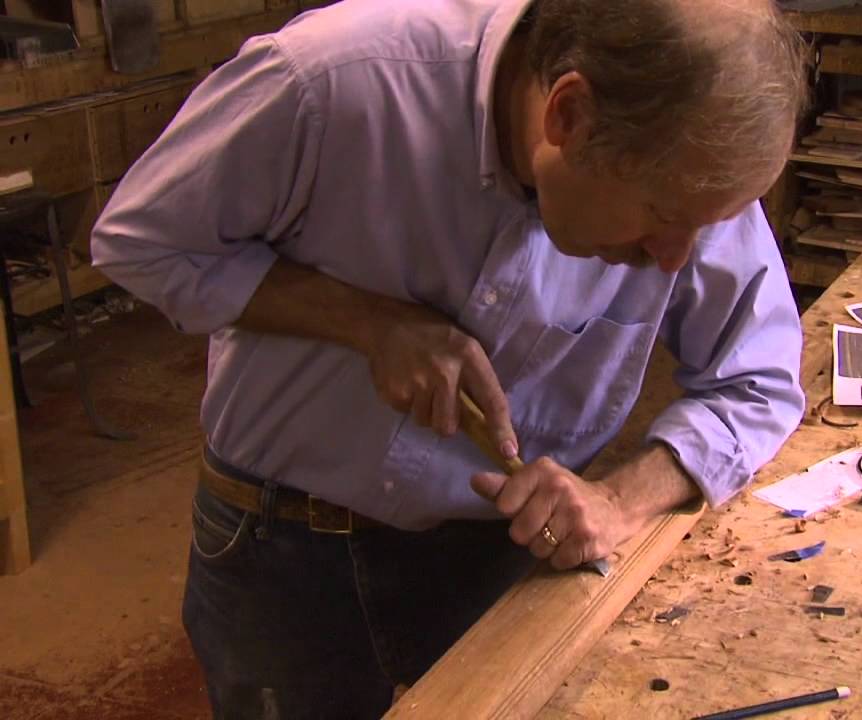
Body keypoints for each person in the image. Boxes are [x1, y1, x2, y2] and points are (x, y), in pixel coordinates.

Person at [91, 0, 809, 717]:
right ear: (568, 116)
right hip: (284, 549)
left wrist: (621, 500)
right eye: (661, 218)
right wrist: (366, 322)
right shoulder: (329, 81)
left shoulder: (685, 160)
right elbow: (141, 242)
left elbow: (757, 379)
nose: (676, 258)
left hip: (505, 553)